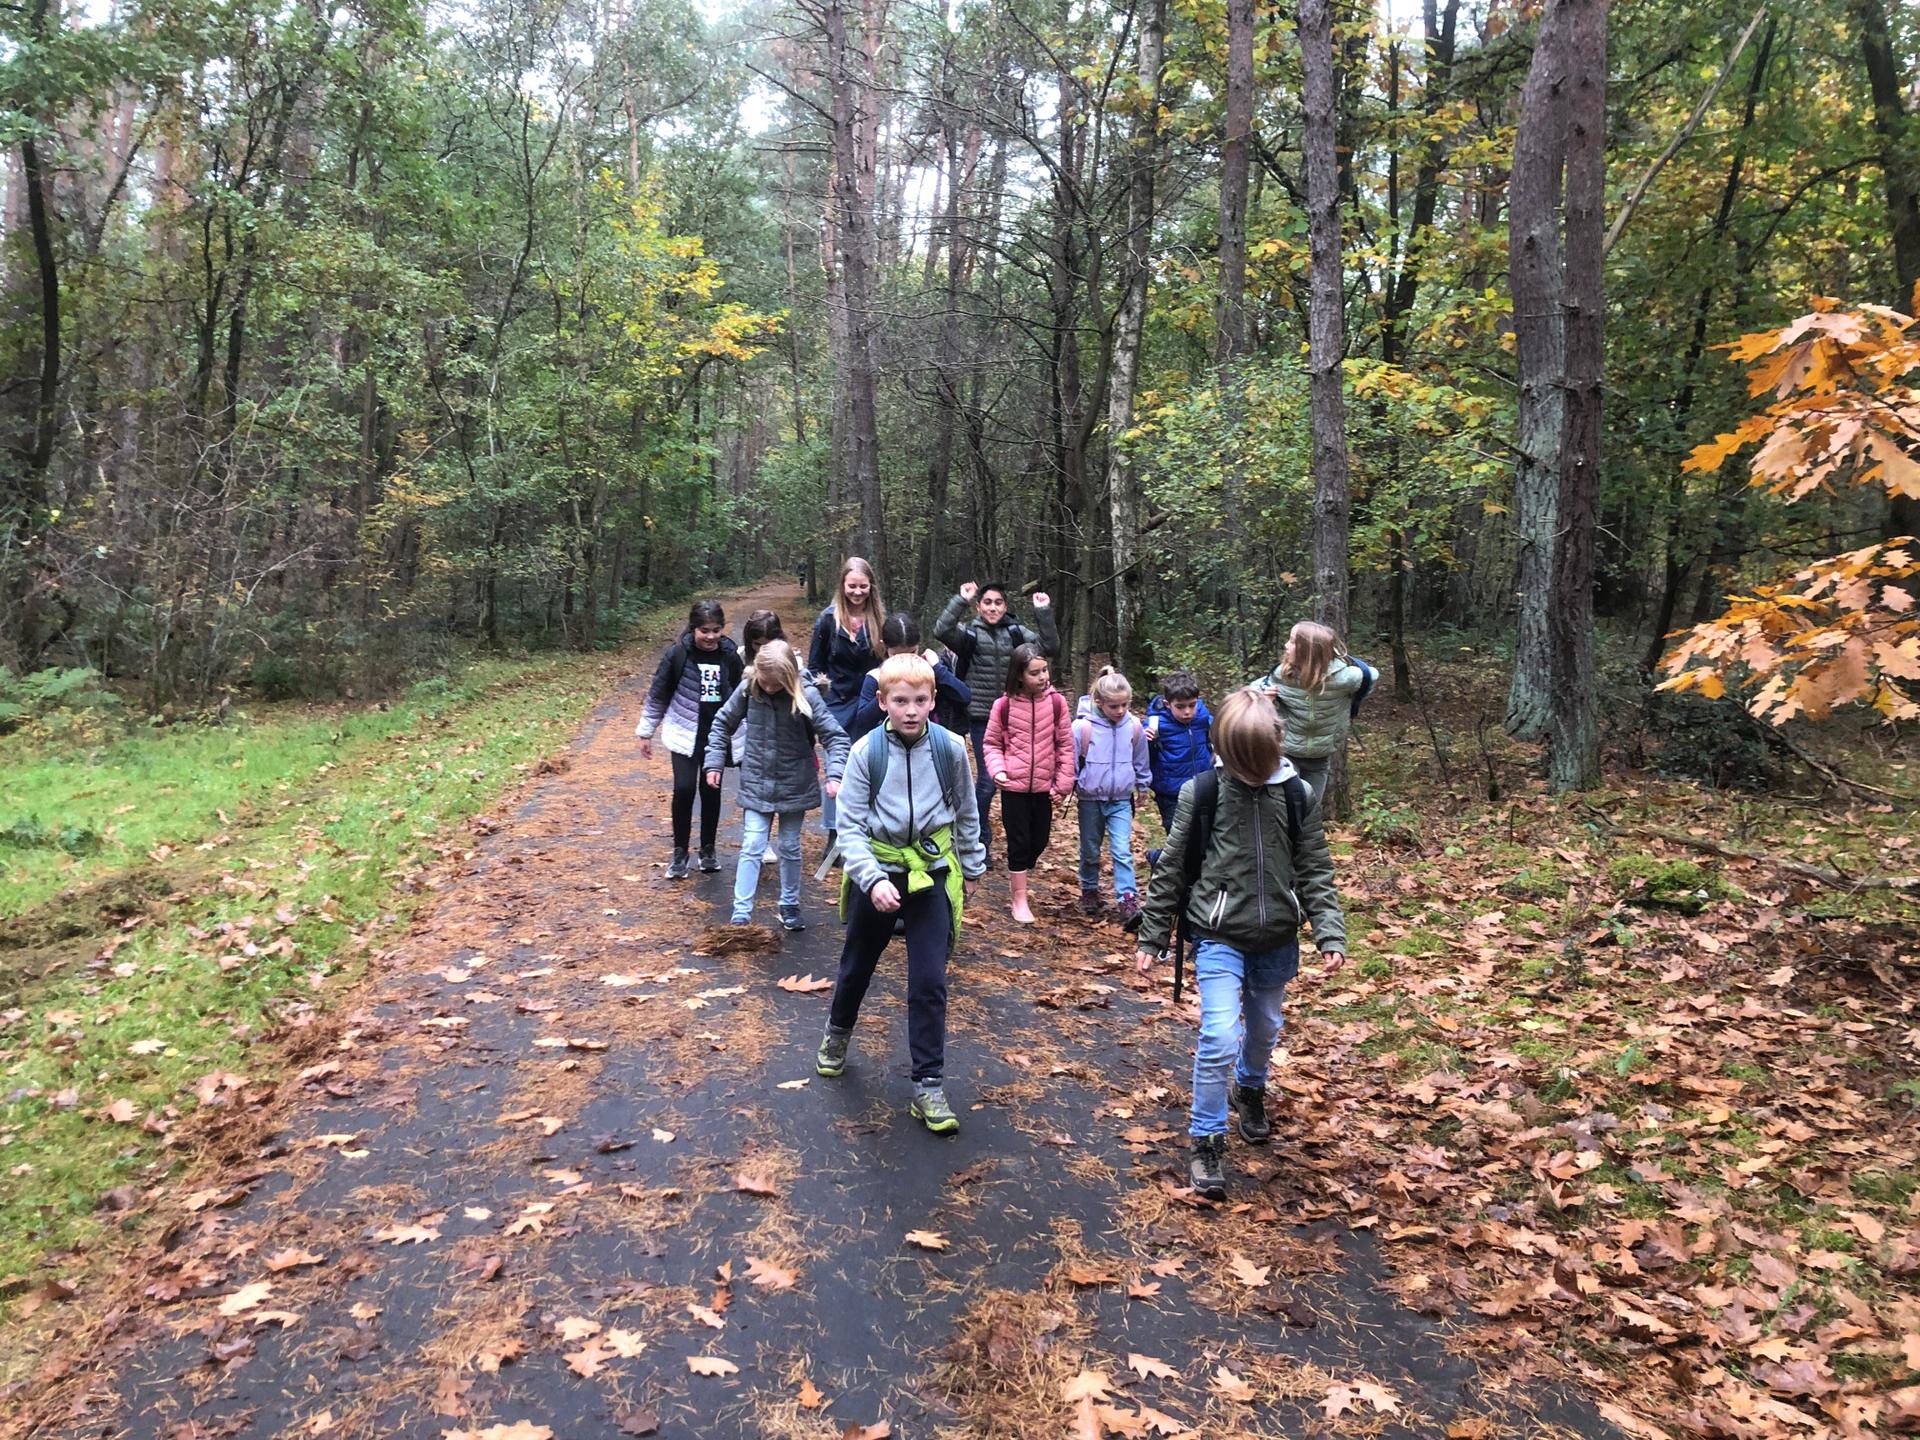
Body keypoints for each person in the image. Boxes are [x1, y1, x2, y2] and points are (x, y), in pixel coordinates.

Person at [1133, 687, 1348, 1201]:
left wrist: (1328, 929)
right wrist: (1154, 933)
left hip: (1276, 935)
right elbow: (1174, 869)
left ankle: (1250, 1087)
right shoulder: (1201, 792)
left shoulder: (1297, 795)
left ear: (1278, 748)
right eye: (1243, 766)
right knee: (1218, 1035)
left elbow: (1315, 867)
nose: (1254, 776)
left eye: (1262, 765)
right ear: (1225, 753)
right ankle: (1207, 1138)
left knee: (1267, 1026)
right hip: (1217, 934)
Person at [816, 654, 985, 1135]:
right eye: (900, 701)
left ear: (933, 701)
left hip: (930, 872)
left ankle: (928, 1083)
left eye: (920, 700)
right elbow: (848, 828)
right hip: (881, 870)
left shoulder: (951, 749)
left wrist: (971, 866)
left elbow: (967, 811)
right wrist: (872, 879)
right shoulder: (866, 751)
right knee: (857, 965)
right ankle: (837, 1032)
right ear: (883, 702)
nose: (911, 710)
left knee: (929, 981)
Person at [704, 640, 850, 931]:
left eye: (776, 684)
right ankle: (741, 912)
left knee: (789, 846)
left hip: (794, 783)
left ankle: (790, 904)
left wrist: (835, 775)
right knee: (753, 844)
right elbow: (722, 724)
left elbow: (835, 737)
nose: (770, 689)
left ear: (789, 678)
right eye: (765, 683)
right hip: (757, 781)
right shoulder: (748, 689)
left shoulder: (806, 695)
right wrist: (714, 762)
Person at [935, 581, 1057, 867]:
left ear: (1005, 606)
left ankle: (1021, 842)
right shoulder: (971, 635)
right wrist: (960, 599)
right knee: (988, 783)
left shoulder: (1016, 634)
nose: (992, 607)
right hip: (980, 716)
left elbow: (1049, 647)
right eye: (987, 602)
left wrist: (1043, 612)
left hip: (1015, 716)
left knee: (1015, 782)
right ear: (979, 606)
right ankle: (979, 841)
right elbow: (942, 631)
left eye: (998, 603)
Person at [636, 601, 743, 879]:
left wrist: (745, 734)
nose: (710, 637)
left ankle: (708, 849)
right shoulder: (678, 655)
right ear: (693, 628)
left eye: (716, 631)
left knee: (711, 791)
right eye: (704, 631)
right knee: (684, 789)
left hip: (717, 736)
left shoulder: (730, 656)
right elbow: (659, 693)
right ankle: (680, 850)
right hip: (685, 732)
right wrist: (646, 731)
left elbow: (743, 698)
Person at [982, 643, 1074, 925]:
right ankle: (1019, 899)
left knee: (1039, 840)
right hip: (1014, 788)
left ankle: (1021, 868)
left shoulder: (1057, 703)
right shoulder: (1004, 705)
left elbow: (1066, 745)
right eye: (1035, 673)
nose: (1043, 676)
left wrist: (1063, 782)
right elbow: (992, 743)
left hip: (1044, 787)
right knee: (1019, 843)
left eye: (1045, 670)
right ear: (1020, 675)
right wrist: (998, 770)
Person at [1259, 622, 1378, 807]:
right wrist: (1265, 697)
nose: (1286, 646)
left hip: (1320, 758)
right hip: (1287, 754)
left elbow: (1371, 675)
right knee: (1284, 809)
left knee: (1310, 811)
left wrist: (1353, 700)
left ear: (1308, 650)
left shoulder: (1345, 678)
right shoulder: (1282, 675)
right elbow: (1255, 689)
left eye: (1292, 641)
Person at [809, 558, 887, 835]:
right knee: (836, 770)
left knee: (867, 769)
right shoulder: (828, 619)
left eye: (863, 586)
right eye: (852, 586)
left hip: (869, 705)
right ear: (842, 586)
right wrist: (819, 705)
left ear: (871, 587)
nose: (857, 592)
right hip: (835, 705)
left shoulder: (879, 621)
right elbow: (814, 667)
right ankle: (834, 833)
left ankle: (864, 831)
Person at [1072, 667, 1151, 920]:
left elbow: (1141, 759)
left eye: (1124, 705)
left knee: (1122, 849)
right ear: (1099, 702)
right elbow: (1071, 761)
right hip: (1090, 798)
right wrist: (1068, 785)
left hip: (1121, 799)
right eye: (1114, 706)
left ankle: (1127, 898)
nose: (1120, 711)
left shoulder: (1134, 726)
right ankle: (1089, 888)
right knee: (1090, 848)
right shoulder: (1082, 727)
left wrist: (1142, 785)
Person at [850, 614, 970, 740]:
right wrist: (888, 689)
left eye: (912, 652)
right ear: (884, 646)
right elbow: (862, 722)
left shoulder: (929, 673)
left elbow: (964, 697)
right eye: (897, 655)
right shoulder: (876, 677)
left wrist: (937, 668)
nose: (905, 659)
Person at [1146, 671, 1214, 832]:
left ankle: (1159, 857)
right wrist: (1147, 742)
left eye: (1192, 705)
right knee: (1177, 836)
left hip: (1203, 786)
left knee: (1204, 835)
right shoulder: (1155, 725)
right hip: (1170, 792)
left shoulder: (1203, 718)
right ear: (1167, 704)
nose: (1187, 712)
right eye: (1180, 707)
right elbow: (1144, 759)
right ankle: (1162, 857)